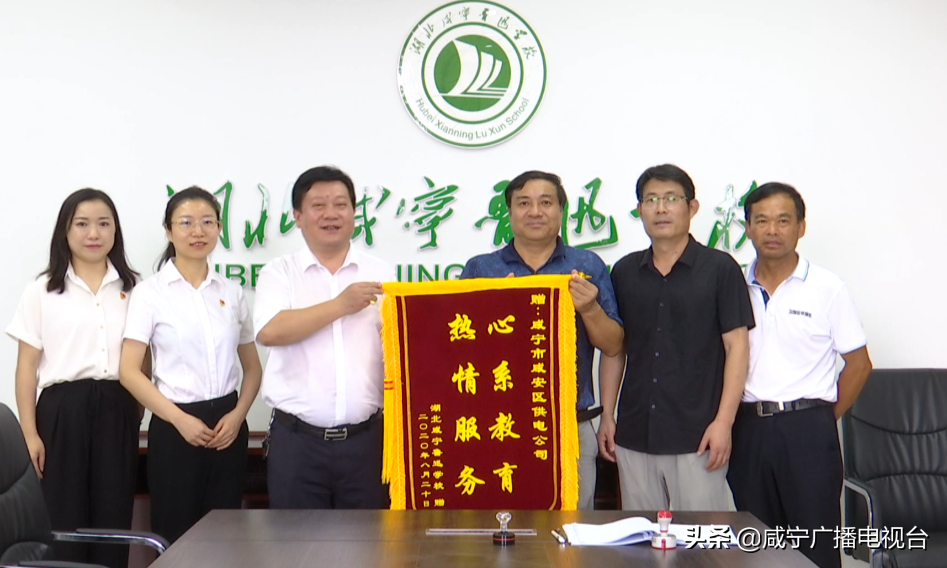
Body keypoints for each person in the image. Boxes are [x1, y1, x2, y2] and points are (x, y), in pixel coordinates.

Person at [726, 183, 872, 568]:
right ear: (748, 228)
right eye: (761, 221)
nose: (772, 230)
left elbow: (859, 364)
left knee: (816, 545)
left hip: (808, 429)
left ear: (800, 227)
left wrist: (822, 417)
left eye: (783, 220)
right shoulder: (733, 285)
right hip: (748, 428)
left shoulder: (827, 288)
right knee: (756, 545)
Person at [461, 170, 624, 510]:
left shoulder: (586, 264)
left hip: (571, 425)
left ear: (561, 211)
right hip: (499, 426)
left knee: (573, 530)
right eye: (524, 203)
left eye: (546, 202)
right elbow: (461, 351)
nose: (535, 211)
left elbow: (613, 345)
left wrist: (590, 308)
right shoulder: (481, 269)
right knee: (500, 526)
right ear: (509, 213)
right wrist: (493, 311)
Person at [598, 164, 754, 511]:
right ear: (640, 210)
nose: (661, 208)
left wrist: (724, 423)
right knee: (640, 537)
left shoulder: (720, 269)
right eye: (651, 200)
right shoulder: (624, 271)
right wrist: (607, 414)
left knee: (704, 538)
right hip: (635, 433)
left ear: (692, 207)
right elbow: (614, 349)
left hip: (698, 436)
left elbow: (738, 348)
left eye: (671, 199)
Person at [6, 189, 141, 568]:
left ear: (115, 231)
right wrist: (29, 433)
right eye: (81, 224)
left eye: (103, 224)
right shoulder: (42, 290)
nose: (93, 233)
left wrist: (136, 411)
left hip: (117, 407)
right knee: (62, 515)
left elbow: (144, 360)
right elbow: (26, 367)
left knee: (114, 514)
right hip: (61, 412)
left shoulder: (135, 288)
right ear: (65, 231)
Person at [119, 186, 262, 543]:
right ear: (169, 231)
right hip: (174, 426)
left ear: (219, 228)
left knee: (226, 536)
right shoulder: (150, 293)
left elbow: (253, 368)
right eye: (186, 222)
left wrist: (238, 416)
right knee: (176, 535)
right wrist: (179, 419)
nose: (198, 231)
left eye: (207, 222)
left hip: (228, 427)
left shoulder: (231, 291)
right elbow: (129, 371)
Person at [254, 165, 395, 509]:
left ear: (354, 213)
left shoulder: (381, 272)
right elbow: (270, 331)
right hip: (298, 444)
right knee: (296, 541)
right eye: (318, 205)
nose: (331, 214)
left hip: (367, 443)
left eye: (341, 204)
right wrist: (340, 305)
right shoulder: (279, 272)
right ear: (298, 217)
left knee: (369, 539)